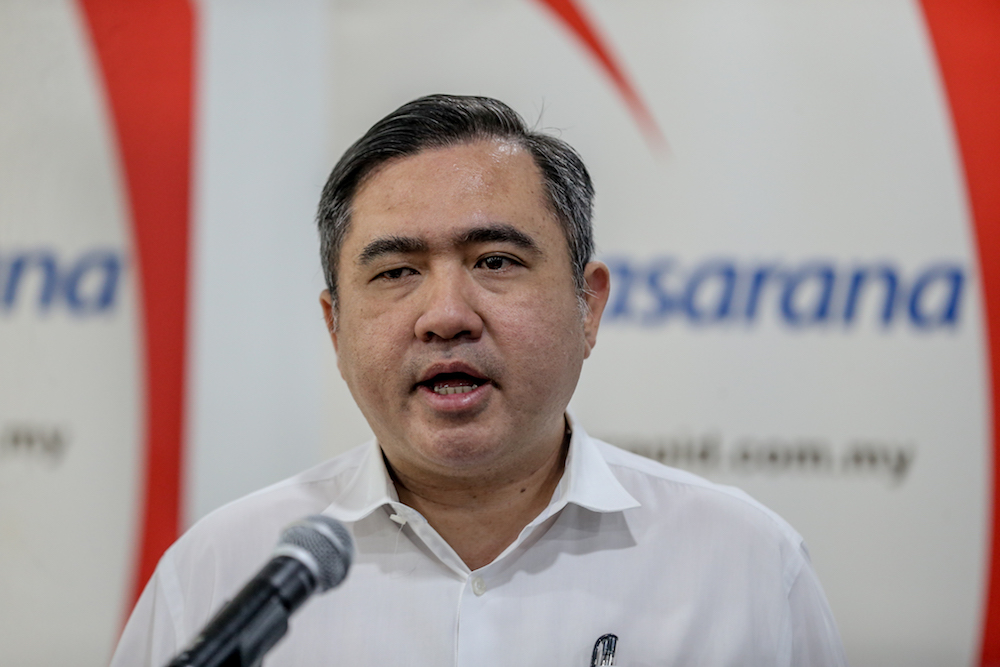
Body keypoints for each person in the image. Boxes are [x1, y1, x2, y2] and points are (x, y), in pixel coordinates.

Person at [110, 94, 848, 666]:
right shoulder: (226, 572)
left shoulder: (743, 564)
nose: (446, 316)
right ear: (335, 327)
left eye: (494, 260)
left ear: (587, 304)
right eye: (397, 272)